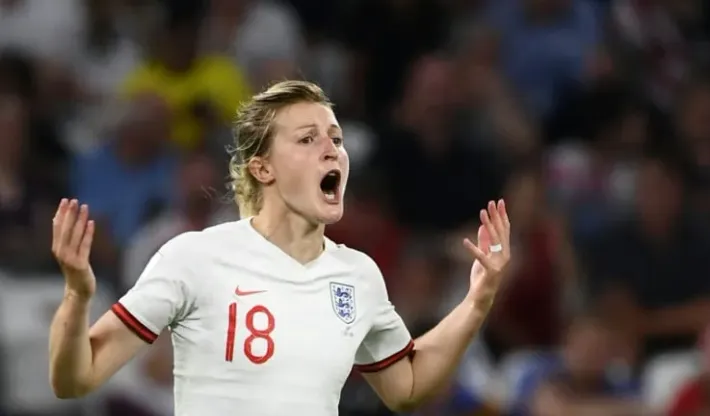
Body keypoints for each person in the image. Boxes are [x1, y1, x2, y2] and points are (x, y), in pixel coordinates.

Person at [47, 80, 511, 415]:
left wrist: (477, 299)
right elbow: (75, 379)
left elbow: (405, 386)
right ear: (263, 168)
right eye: (308, 139)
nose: (331, 150)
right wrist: (77, 296)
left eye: (336, 139)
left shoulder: (358, 275)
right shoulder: (194, 257)